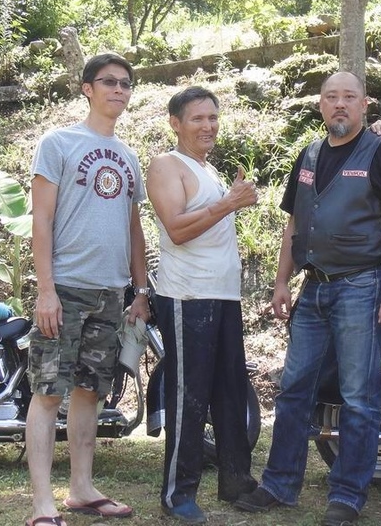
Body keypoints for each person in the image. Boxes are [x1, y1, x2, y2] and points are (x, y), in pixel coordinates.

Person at [234, 71, 381, 526]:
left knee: (359, 395)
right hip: (312, 288)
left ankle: (348, 495)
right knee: (294, 389)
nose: (340, 104)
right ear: (320, 104)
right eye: (331, 96)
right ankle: (279, 485)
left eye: (349, 97)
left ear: (364, 105)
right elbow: (295, 223)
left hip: (363, 285)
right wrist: (282, 281)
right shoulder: (310, 154)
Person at [25, 52, 151, 526]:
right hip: (66, 290)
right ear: (87, 88)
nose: (118, 90)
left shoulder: (129, 156)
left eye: (126, 83)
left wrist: (140, 291)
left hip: (111, 294)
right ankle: (43, 504)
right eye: (109, 81)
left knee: (90, 393)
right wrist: (46, 290)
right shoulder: (58, 143)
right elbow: (41, 220)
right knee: (47, 393)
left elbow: (134, 229)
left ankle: (81, 488)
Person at [145, 86, 260, 524]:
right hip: (187, 295)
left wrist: (229, 200)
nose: (208, 126)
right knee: (189, 394)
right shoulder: (166, 165)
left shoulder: (208, 169)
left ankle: (236, 480)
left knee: (230, 390)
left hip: (224, 294)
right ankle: (178, 494)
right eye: (197, 118)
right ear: (176, 123)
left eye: (213, 117)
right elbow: (176, 229)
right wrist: (229, 203)